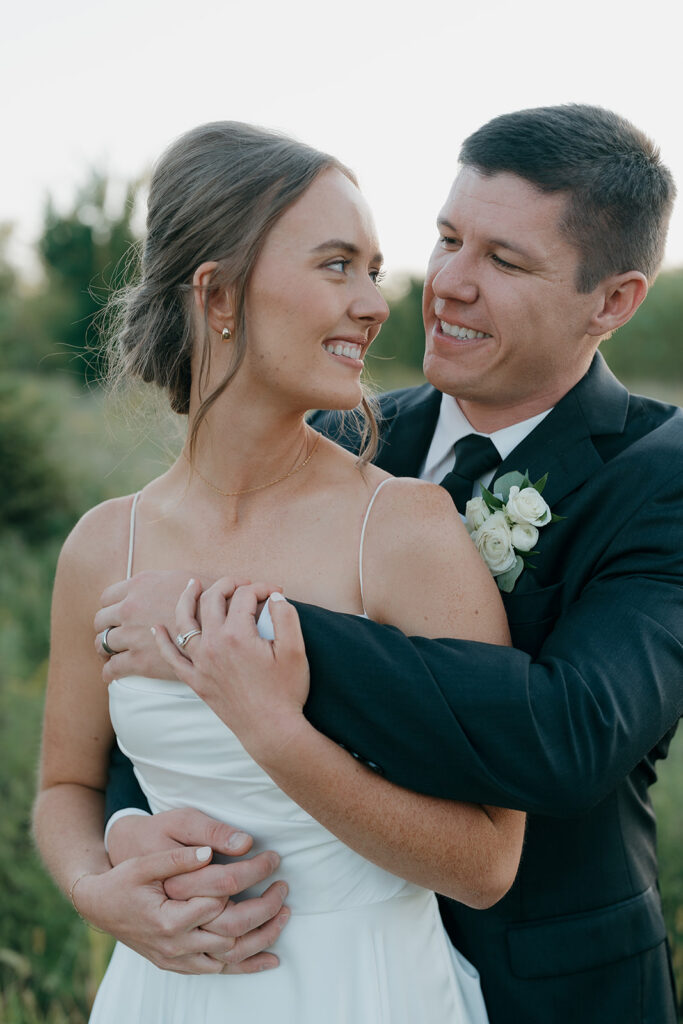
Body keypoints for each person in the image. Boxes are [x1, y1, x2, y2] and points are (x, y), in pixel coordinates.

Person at [94, 105, 683, 1024]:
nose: (445, 283)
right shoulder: (333, 434)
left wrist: (231, 625)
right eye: (448, 239)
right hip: (287, 968)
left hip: (557, 988)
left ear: (610, 301)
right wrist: (129, 837)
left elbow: (573, 732)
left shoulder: (660, 478)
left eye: (504, 261)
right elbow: (173, 708)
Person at [33, 121, 526, 1024]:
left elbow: (488, 865)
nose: (377, 302)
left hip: (367, 989)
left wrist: (272, 728)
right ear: (218, 294)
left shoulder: (404, 530)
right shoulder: (107, 545)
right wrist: (95, 887)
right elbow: (64, 786)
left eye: (374, 270)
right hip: (162, 995)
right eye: (337, 265)